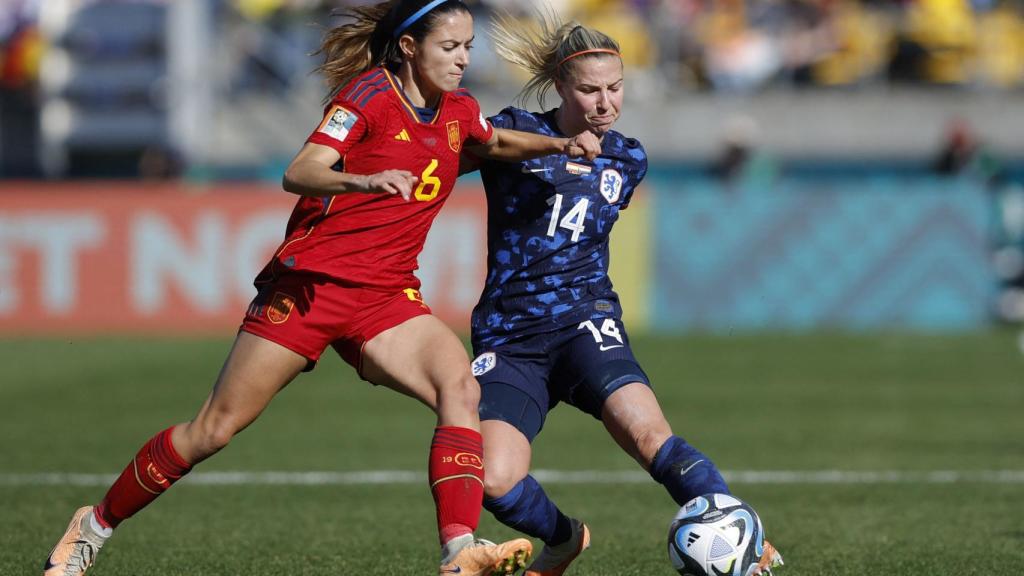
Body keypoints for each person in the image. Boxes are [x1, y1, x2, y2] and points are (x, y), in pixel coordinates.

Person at [41, 2, 601, 575]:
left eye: (467, 49)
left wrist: (560, 144)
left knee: (459, 386)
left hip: (386, 298)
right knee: (213, 429)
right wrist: (361, 178)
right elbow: (301, 170)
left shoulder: (459, 112)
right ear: (409, 48)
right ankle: (94, 525)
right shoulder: (368, 96)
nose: (461, 60)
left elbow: (495, 144)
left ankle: (459, 551)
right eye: (449, 48)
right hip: (311, 288)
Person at [461, 13, 784, 576]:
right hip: (511, 335)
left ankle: (743, 534)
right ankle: (566, 538)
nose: (604, 102)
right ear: (561, 87)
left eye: (615, 87)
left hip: (587, 319)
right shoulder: (511, 131)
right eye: (589, 89)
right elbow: (450, 158)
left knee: (649, 436)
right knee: (493, 480)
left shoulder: (628, 158)